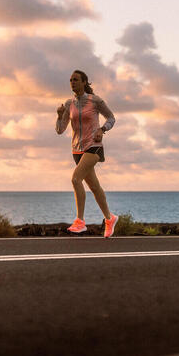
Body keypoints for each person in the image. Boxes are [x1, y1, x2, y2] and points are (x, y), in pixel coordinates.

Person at [55, 69, 118, 238]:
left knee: (75, 179)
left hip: (94, 146)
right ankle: (109, 218)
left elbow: (111, 118)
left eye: (76, 80)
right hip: (77, 149)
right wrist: (59, 116)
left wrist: (102, 129)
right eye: (70, 80)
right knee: (94, 187)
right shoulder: (69, 104)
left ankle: (80, 221)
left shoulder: (95, 100)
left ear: (84, 82)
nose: (72, 82)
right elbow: (60, 130)